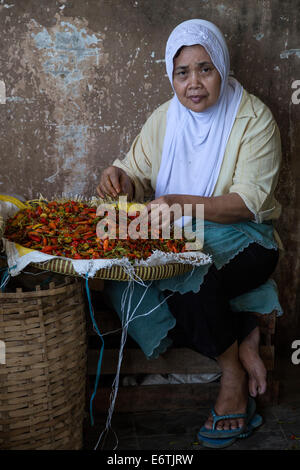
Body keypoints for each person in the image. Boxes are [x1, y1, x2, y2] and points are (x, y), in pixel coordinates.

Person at [97, 19, 282, 447]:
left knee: (187, 278)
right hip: (177, 232)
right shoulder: (167, 118)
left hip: (246, 238)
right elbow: (137, 173)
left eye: (205, 69)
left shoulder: (253, 118)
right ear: (171, 75)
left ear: (222, 67)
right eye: (183, 73)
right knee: (124, 284)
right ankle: (242, 335)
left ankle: (231, 378)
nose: (194, 84)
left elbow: (248, 202)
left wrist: (179, 203)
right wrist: (119, 176)